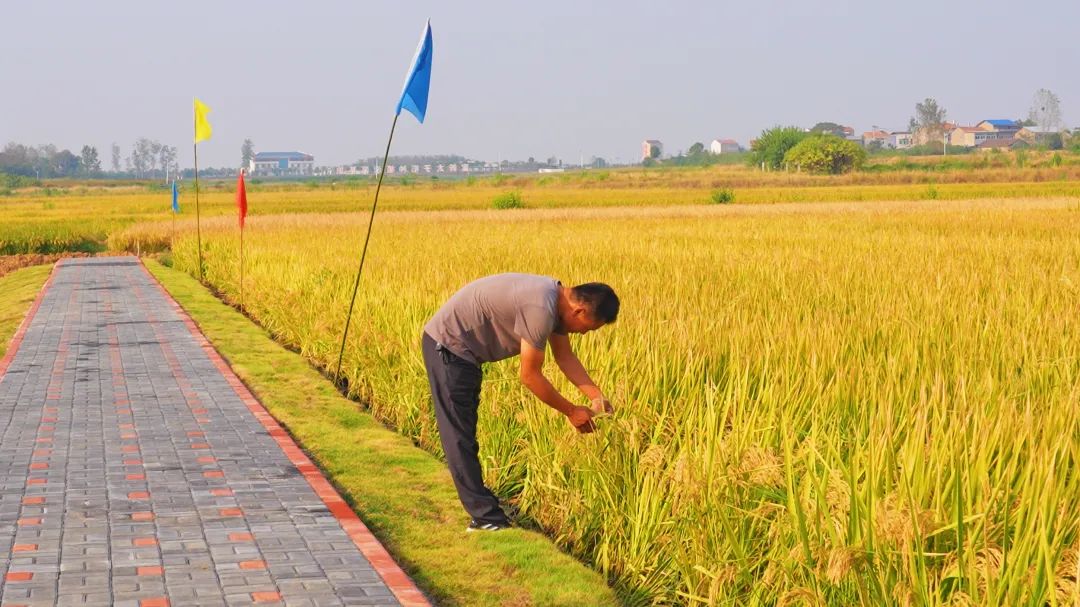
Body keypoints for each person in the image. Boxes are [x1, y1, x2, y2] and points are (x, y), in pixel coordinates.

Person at [421, 273, 620, 532]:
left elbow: (565, 357)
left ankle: (486, 512)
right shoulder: (540, 308)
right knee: (459, 435)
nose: (583, 333)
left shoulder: (556, 302)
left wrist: (596, 397)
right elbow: (529, 376)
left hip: (463, 352)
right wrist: (571, 411)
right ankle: (485, 519)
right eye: (588, 327)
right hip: (449, 347)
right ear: (579, 310)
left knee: (464, 432)